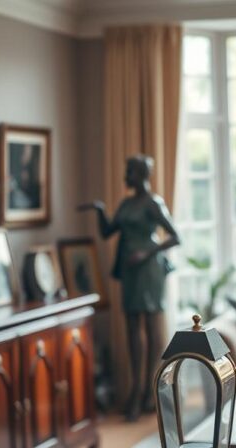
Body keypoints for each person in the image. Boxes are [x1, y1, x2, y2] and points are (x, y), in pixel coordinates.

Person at [78, 155, 180, 421]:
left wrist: (147, 252)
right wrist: (100, 210)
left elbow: (174, 236)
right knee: (132, 329)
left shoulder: (153, 203)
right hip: (129, 271)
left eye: (130, 171)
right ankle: (135, 390)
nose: (126, 176)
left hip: (148, 271)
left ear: (141, 174)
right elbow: (107, 232)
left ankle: (150, 391)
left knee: (150, 328)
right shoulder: (126, 203)